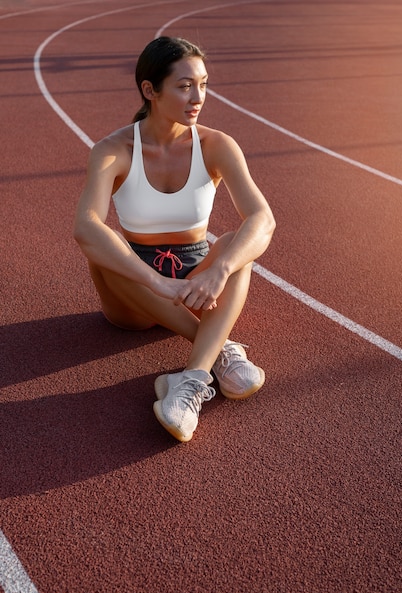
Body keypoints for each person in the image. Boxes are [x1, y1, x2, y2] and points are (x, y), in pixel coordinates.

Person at [74, 36, 276, 442]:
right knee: (104, 247)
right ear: (150, 90)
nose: (197, 96)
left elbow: (263, 218)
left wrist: (218, 269)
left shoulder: (216, 145)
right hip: (134, 294)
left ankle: (191, 379)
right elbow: (86, 226)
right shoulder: (114, 150)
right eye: (184, 86)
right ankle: (219, 350)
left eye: (203, 84)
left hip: (197, 287)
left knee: (238, 245)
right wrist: (157, 281)